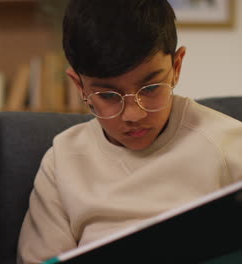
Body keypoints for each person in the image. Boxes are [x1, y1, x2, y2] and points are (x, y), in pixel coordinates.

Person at [17, 0, 242, 263]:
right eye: (108, 95)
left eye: (150, 89)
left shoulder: (228, 144)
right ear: (80, 87)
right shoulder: (62, 160)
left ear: (177, 67)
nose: (134, 115)